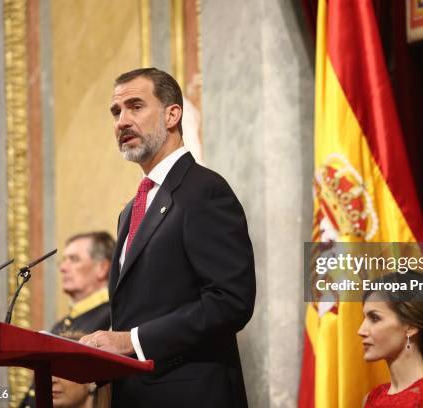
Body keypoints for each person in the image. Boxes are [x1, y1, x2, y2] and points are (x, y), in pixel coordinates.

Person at [79, 68, 256, 407]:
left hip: (191, 394)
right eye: (116, 112)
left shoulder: (204, 190)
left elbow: (230, 301)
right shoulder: (131, 210)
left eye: (135, 106)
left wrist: (132, 340)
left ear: (173, 114)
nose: (122, 121)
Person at [18, 231, 115, 408]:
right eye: (63, 260)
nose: (63, 268)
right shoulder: (61, 325)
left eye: (74, 259)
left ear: (102, 268)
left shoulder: (113, 318)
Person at [358, 271, 423, 408]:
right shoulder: (371, 399)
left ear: (411, 326)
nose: (361, 331)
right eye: (364, 318)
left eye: (375, 318)